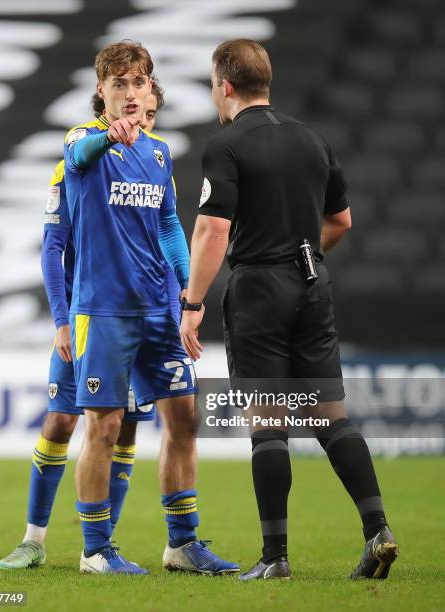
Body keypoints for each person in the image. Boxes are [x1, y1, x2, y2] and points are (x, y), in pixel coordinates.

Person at [180, 38, 398, 581]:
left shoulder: (226, 146)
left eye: (213, 84)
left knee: (268, 425)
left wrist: (191, 304)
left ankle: (275, 557)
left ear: (225, 86)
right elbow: (342, 221)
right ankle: (378, 530)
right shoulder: (312, 139)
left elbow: (212, 230)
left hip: (259, 290)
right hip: (313, 285)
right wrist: (302, 258)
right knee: (331, 419)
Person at [64, 40, 238, 575]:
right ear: (102, 92)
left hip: (157, 313)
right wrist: (107, 138)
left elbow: (167, 226)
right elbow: (79, 158)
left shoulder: (159, 153)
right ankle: (95, 550)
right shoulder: (83, 139)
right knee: (105, 428)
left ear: (150, 88)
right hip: (104, 311)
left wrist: (189, 294)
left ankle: (182, 543)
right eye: (120, 84)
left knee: (183, 420)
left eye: (139, 83)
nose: (132, 94)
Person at [0, 85, 171, 572]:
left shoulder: (155, 167)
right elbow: (53, 249)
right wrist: (61, 321)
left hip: (138, 317)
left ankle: (101, 545)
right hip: (86, 315)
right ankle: (33, 539)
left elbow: (166, 236)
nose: (148, 123)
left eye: (154, 114)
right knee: (61, 420)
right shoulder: (75, 163)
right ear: (106, 105)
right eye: (143, 112)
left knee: (126, 429)